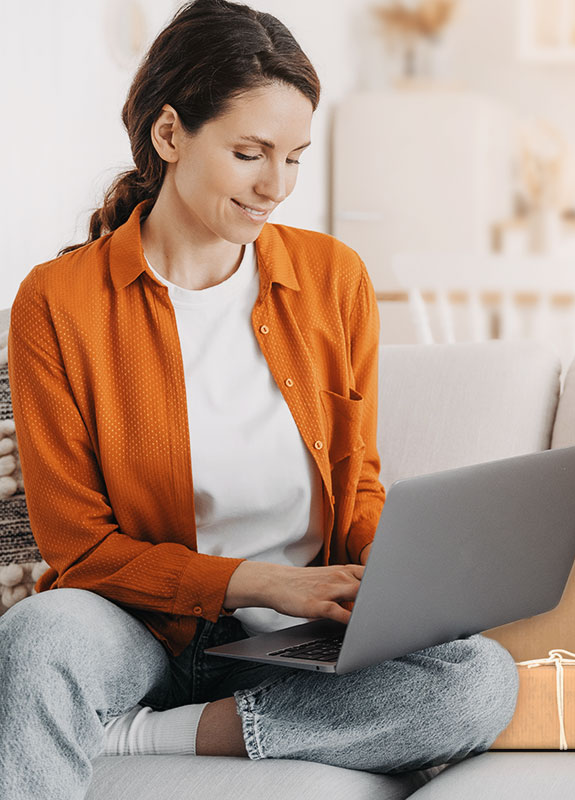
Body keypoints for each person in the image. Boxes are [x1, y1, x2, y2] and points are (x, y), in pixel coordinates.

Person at [0, 2, 517, 796]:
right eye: (251, 154)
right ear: (170, 135)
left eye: (296, 158)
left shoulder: (334, 279)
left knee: (479, 678)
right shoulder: (57, 302)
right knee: (37, 638)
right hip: (134, 626)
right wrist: (263, 582)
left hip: (296, 640)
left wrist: (399, 577)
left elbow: (359, 484)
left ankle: (152, 734)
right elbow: (80, 550)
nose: (277, 186)